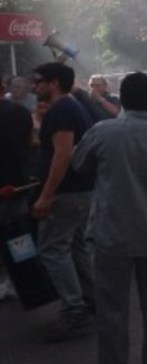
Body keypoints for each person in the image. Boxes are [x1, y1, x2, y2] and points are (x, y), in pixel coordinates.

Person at [72, 72, 147, 364]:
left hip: (111, 236)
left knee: (112, 313)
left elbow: (79, 166)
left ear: (121, 99)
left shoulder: (102, 132)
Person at [30, 62, 96, 342]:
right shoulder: (68, 107)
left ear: (53, 83)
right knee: (77, 247)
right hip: (79, 191)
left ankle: (74, 310)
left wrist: (46, 195)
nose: (34, 86)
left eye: (38, 81)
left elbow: (63, 154)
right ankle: (92, 300)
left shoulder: (62, 109)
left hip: (66, 193)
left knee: (53, 250)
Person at [0, 75, 34, 301]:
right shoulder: (21, 112)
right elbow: (29, 145)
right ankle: (27, 281)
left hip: (7, 186)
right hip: (19, 184)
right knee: (20, 235)